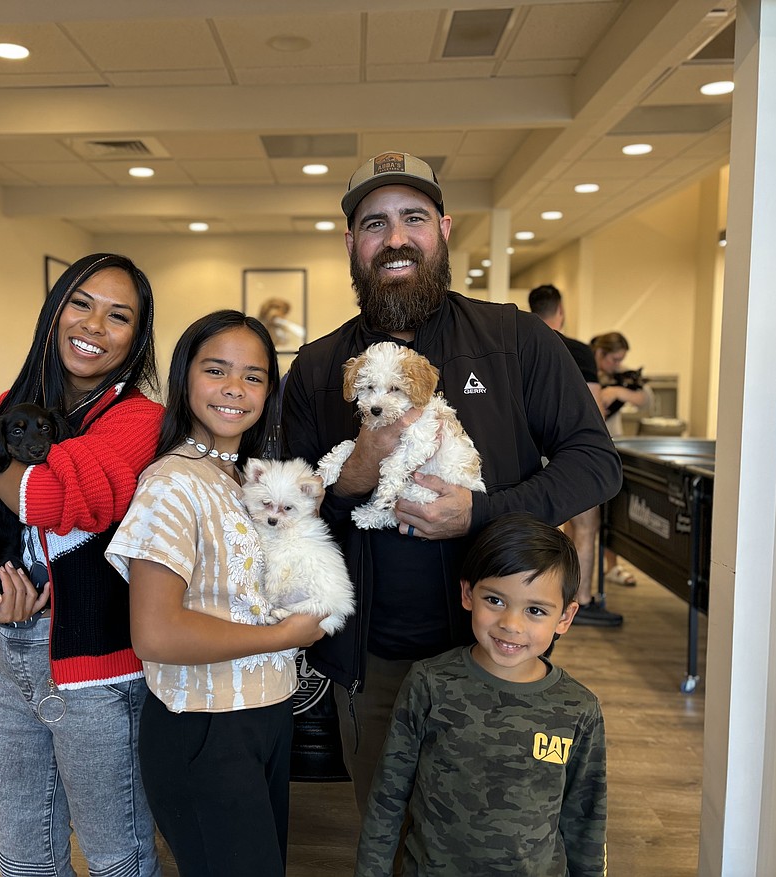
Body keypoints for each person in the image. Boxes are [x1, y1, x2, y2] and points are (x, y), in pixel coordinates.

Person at [281, 151, 622, 813]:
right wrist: (352, 473)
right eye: (375, 224)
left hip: (498, 651)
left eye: (414, 217)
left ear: (444, 229)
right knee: (387, 834)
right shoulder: (321, 367)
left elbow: (595, 461)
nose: (396, 237)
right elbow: (289, 513)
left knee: (496, 833)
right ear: (352, 244)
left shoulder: (515, 339)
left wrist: (483, 512)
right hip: (372, 663)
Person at [0, 253, 163, 877]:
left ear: (137, 339)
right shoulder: (14, 403)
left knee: (117, 855)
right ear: (55, 311)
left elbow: (64, 501)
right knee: (24, 852)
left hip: (98, 672)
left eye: (120, 316)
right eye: (81, 303)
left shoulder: (139, 419)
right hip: (16, 658)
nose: (94, 325)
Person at [106, 310, 327, 877]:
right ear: (184, 378)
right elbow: (155, 632)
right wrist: (284, 635)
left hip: (267, 714)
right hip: (204, 725)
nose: (235, 389)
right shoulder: (172, 483)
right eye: (216, 370)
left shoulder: (245, 480)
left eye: (254, 376)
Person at [354, 512, 607, 876]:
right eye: (496, 600)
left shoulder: (579, 709)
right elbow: (387, 799)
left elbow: (586, 820)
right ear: (468, 593)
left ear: (565, 618)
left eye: (535, 610)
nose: (511, 624)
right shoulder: (429, 683)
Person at [528, 284, 622, 626]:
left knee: (537, 525)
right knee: (584, 525)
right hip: (568, 454)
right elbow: (592, 410)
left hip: (529, 453)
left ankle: (534, 595)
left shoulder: (520, 343)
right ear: (561, 310)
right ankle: (577, 599)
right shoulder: (578, 351)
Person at [592, 331, 650, 587]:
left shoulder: (620, 376)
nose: (618, 365)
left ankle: (611, 567)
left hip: (612, 444)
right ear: (600, 354)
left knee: (610, 513)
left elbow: (646, 399)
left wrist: (618, 391)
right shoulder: (584, 368)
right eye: (614, 359)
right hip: (587, 449)